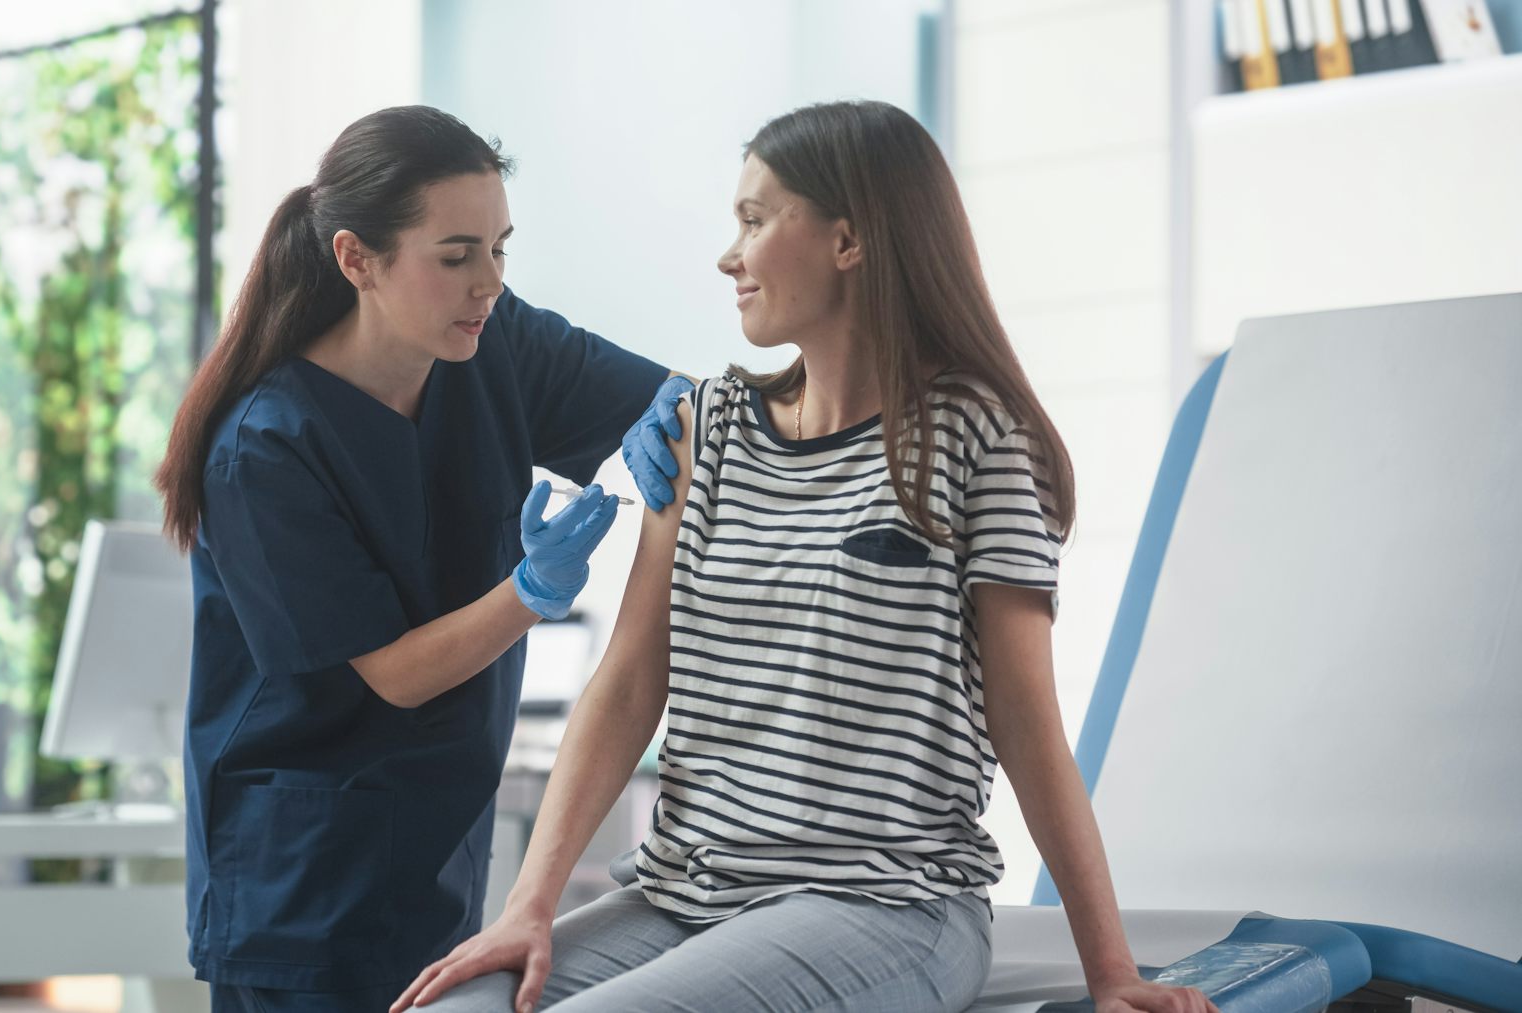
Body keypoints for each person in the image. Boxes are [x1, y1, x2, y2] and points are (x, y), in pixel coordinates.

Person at [392, 101, 1219, 1013]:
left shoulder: (978, 440)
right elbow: (630, 680)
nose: (727, 254)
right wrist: (527, 908)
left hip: (887, 905)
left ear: (849, 240)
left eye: (754, 220)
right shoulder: (706, 428)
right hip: (687, 894)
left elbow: (1028, 724)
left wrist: (1112, 971)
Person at [152, 105, 691, 1013]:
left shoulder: (493, 343)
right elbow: (395, 675)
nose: (487, 283)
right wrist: (531, 592)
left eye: (499, 249)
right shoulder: (264, 447)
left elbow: (680, 403)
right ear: (357, 259)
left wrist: (681, 415)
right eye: (455, 257)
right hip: (300, 894)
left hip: (438, 858)